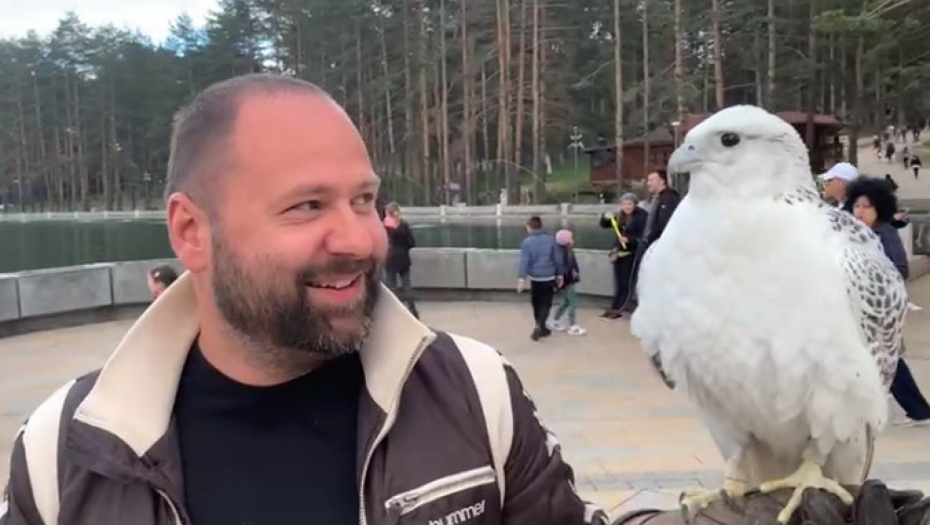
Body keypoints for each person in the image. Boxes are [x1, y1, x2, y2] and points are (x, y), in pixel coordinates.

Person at [0, 74, 607, 525]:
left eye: (363, 200)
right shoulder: (65, 452)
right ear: (191, 232)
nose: (360, 239)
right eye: (307, 206)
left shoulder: (477, 393)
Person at [843, 177, 930, 427]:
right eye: (857, 206)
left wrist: (872, 280)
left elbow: (900, 268)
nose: (860, 212)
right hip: (854, 307)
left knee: (888, 360)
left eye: (866, 207)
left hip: (878, 310)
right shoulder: (853, 234)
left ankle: (918, 410)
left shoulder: (885, 233)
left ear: (879, 208)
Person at [599, 193, 648, 319]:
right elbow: (605, 225)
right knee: (619, 282)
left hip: (631, 253)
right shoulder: (620, 215)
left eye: (629, 204)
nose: (626, 207)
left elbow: (643, 235)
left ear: (635, 205)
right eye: (624, 204)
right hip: (619, 253)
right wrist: (605, 217)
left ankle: (619, 309)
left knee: (626, 282)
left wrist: (629, 240)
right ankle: (614, 307)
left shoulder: (641, 217)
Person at [517, 216, 565, 342]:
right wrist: (560, 275)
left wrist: (521, 278)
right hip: (549, 276)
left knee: (536, 303)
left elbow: (524, 262)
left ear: (530, 227)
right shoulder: (551, 240)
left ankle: (539, 325)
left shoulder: (527, 242)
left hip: (535, 278)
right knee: (546, 303)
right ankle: (541, 326)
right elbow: (558, 259)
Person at [382, 202, 418, 318]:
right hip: (404, 259)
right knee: (407, 286)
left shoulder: (385, 228)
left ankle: (395, 313)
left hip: (390, 259)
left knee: (392, 287)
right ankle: (412, 311)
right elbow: (412, 242)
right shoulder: (404, 225)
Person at [548, 229, 586, 336]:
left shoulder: (566, 251)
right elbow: (565, 268)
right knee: (573, 302)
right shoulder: (564, 253)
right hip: (567, 281)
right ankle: (572, 325)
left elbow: (572, 265)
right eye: (571, 238)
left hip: (568, 280)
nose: (573, 240)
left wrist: (576, 272)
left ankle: (555, 320)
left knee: (566, 301)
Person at [643, 170, 680, 247]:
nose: (648, 183)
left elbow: (664, 224)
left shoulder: (669, 199)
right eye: (648, 180)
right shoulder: (657, 199)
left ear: (662, 181)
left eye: (651, 180)